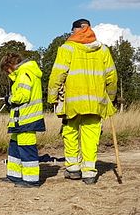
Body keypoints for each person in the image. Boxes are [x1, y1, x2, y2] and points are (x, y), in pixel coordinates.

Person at [48, 19, 118, 185]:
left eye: (72, 31)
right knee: (91, 136)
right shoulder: (103, 50)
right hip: (96, 103)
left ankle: (73, 169)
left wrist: (52, 98)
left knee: (70, 132)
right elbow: (112, 77)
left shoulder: (67, 48)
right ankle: (89, 173)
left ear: (76, 30)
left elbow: (57, 75)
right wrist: (111, 98)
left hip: (72, 102)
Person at [0, 52, 46, 188]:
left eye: (6, 70)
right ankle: (14, 175)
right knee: (14, 147)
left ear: (10, 66)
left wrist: (9, 99)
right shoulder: (22, 73)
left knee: (27, 149)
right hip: (20, 119)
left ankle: (31, 180)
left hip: (27, 119)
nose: (7, 74)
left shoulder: (25, 72)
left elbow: (23, 96)